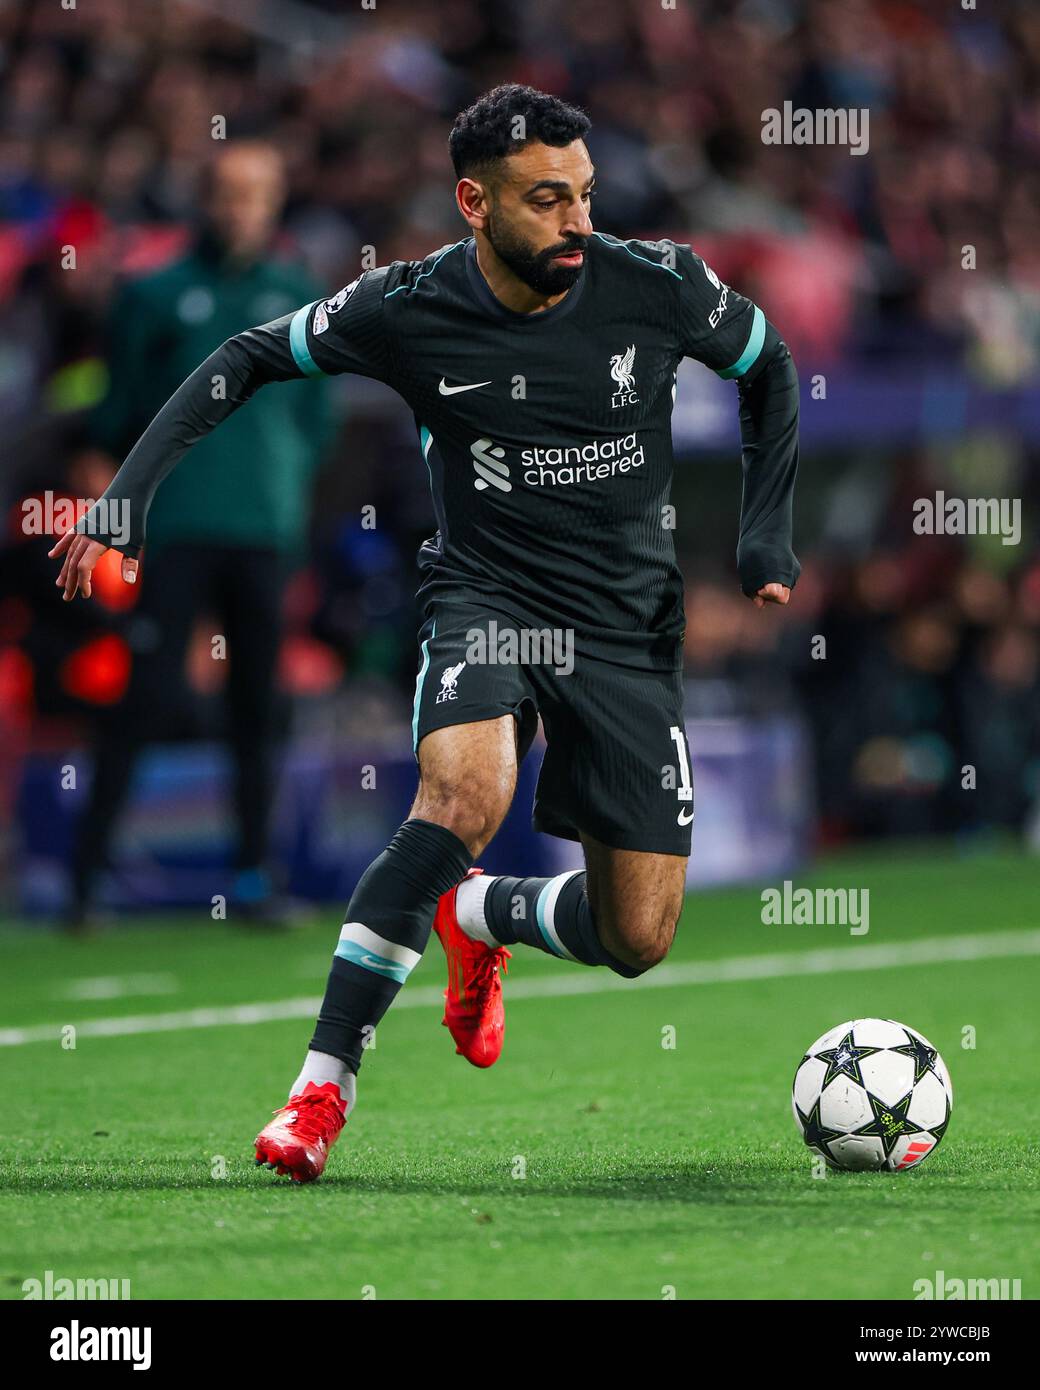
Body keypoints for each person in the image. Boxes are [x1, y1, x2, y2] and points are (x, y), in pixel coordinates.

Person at [51, 86, 799, 1180]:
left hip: (624, 625)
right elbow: (245, 357)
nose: (577, 222)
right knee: (459, 798)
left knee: (637, 938)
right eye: (547, 201)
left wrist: (764, 538)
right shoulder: (405, 306)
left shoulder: (658, 283)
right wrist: (127, 494)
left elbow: (768, 365)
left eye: (585, 195)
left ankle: (483, 914)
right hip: (486, 594)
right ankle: (319, 1090)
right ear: (473, 202)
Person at [67, 141, 328, 927]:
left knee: (260, 702)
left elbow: (318, 418)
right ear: (204, 198)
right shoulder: (153, 293)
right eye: (228, 192)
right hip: (175, 524)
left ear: (276, 200)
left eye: (256, 193)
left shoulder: (298, 292)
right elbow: (118, 412)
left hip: (263, 528)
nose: (240, 208)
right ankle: (88, 879)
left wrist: (284, 488)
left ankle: (254, 876)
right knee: (144, 692)